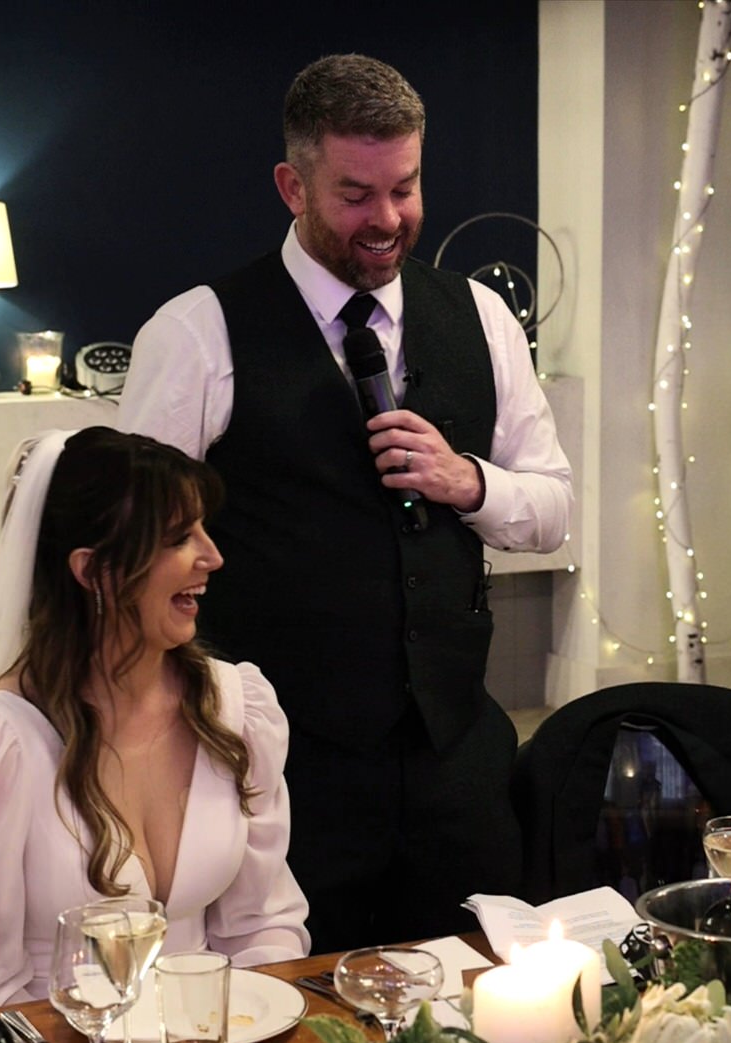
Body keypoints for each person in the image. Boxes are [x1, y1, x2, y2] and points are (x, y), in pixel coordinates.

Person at [119, 54, 572, 950]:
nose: (389, 220)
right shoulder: (196, 333)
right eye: (356, 194)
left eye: (405, 188)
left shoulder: (480, 318)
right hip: (282, 770)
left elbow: (553, 506)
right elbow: (133, 556)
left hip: (455, 762)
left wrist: (466, 481)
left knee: (476, 1010)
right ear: (293, 184)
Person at [0, 428, 309, 1006]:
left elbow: (262, 927)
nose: (213, 557)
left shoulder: (235, 710)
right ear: (93, 570)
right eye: (179, 538)